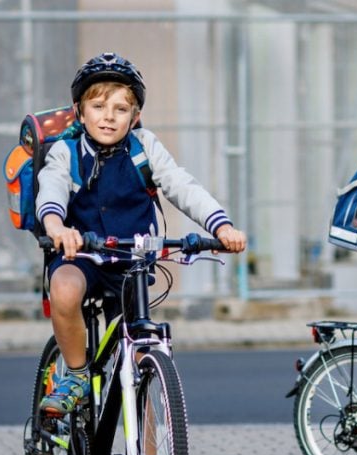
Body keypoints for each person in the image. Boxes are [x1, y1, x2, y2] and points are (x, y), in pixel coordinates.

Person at [35, 52, 247, 416]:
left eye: (120, 109)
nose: (108, 116)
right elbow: (51, 189)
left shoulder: (144, 147)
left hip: (130, 262)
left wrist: (221, 226)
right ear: (79, 112)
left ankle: (150, 453)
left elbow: (181, 186)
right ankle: (76, 374)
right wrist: (57, 228)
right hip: (80, 255)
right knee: (64, 290)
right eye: (98, 106)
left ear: (134, 117)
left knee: (141, 356)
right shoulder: (66, 152)